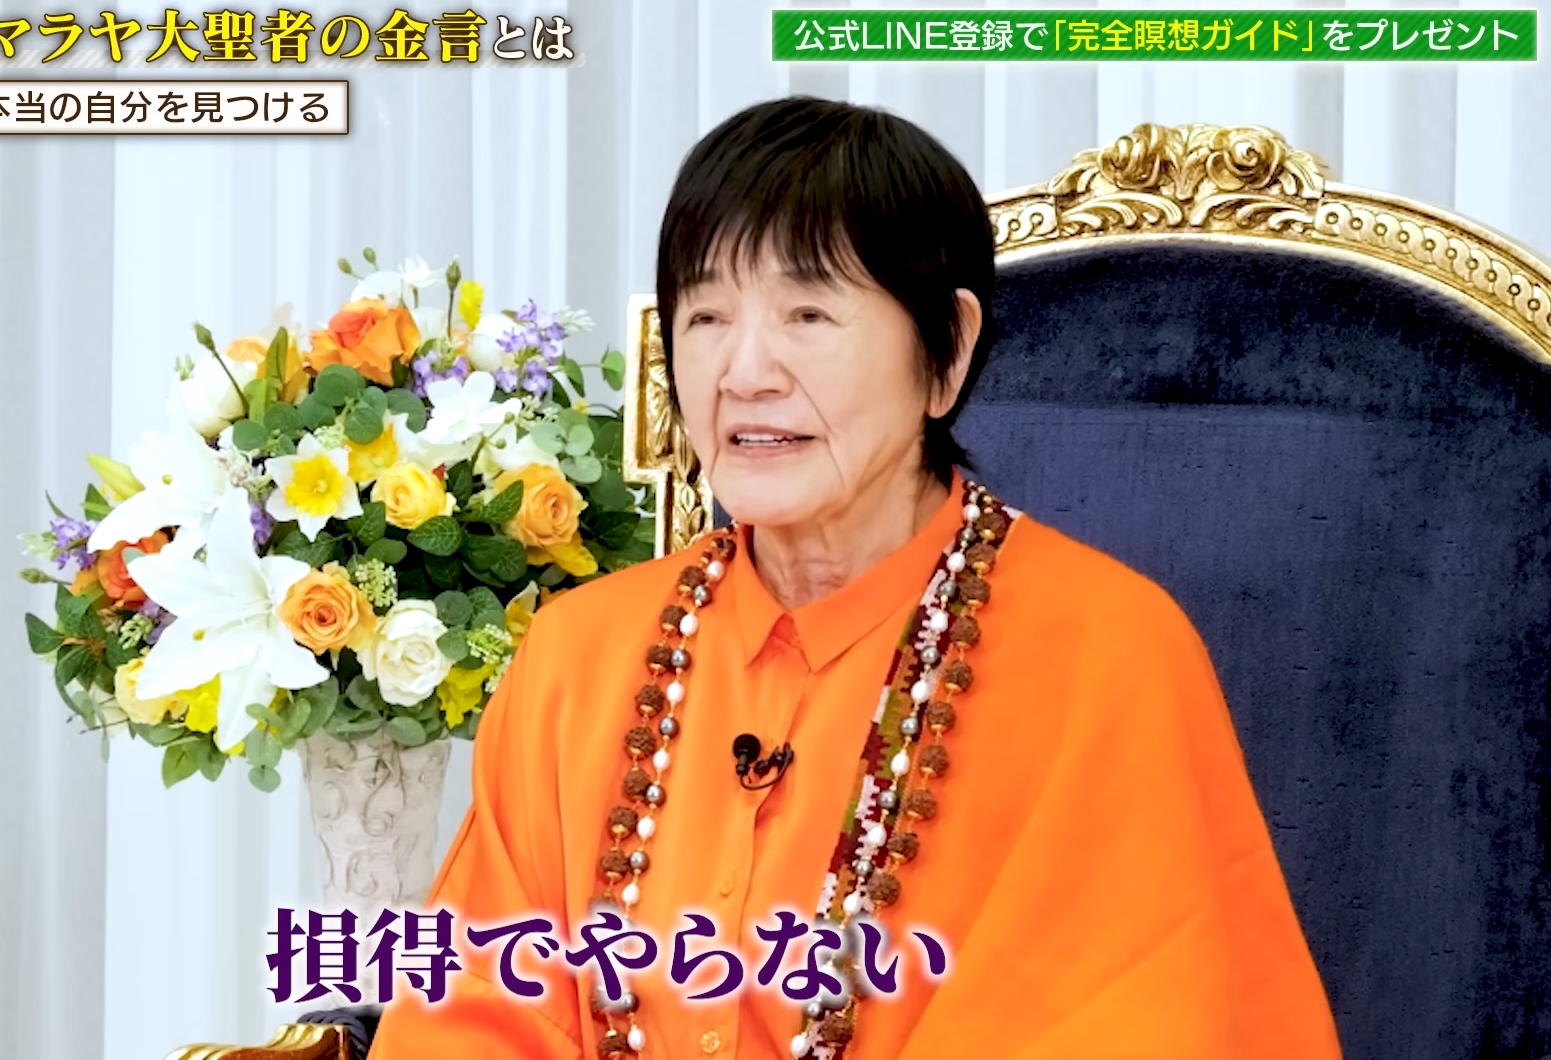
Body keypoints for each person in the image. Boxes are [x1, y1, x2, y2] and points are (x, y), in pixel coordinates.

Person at [369, 97, 1341, 1058]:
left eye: (809, 313)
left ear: (945, 351)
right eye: (706, 315)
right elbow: (473, 1017)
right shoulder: (577, 657)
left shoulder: (1108, 657)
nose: (745, 372)